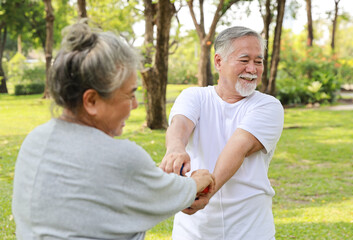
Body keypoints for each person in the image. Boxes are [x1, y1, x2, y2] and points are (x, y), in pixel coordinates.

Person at [11, 21, 215, 240]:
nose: (135, 105)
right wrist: (201, 179)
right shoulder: (120, 157)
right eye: (129, 94)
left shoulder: (35, 140)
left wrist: (149, 175)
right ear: (91, 101)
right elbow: (178, 193)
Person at [160, 26, 284, 240]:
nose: (253, 69)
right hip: (192, 232)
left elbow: (238, 147)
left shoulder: (268, 106)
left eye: (259, 61)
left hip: (250, 231)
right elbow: (179, 125)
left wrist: (208, 188)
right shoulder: (194, 96)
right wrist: (175, 150)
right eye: (244, 60)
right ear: (218, 62)